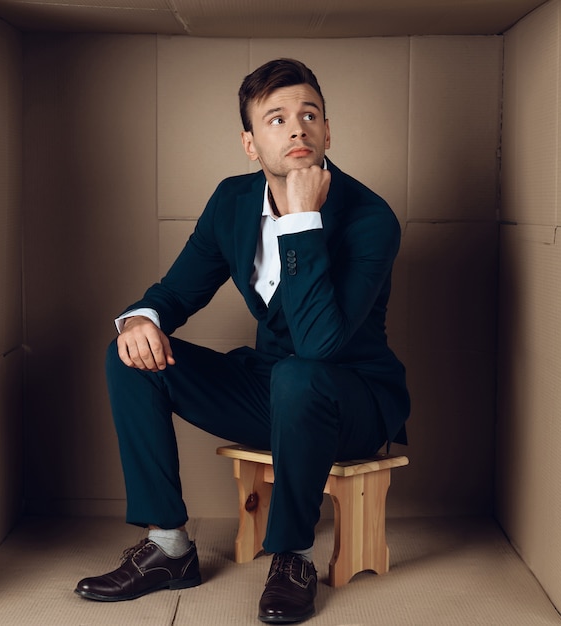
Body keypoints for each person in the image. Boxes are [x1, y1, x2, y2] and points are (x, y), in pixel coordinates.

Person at [75, 58, 410, 624]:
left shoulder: (371, 220)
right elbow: (176, 293)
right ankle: (168, 547)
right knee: (130, 354)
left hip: (352, 399)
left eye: (310, 115)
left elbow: (320, 345)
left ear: (329, 131)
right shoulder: (232, 202)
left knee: (300, 374)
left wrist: (302, 221)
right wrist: (140, 319)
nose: (297, 128)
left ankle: (292, 558)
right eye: (276, 119)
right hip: (271, 388)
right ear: (251, 144)